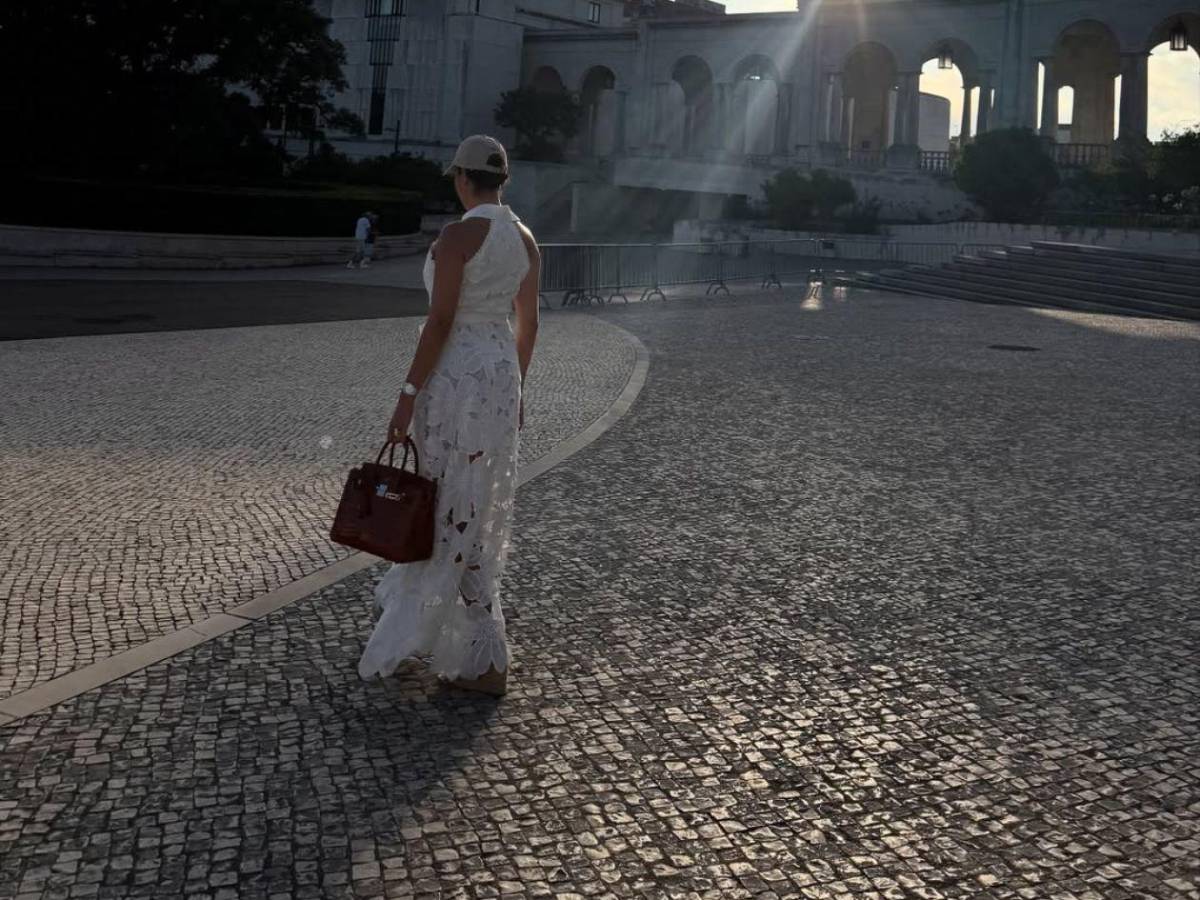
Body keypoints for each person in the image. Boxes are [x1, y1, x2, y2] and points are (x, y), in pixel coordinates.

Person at [358, 135, 541, 697]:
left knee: (445, 504)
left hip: (455, 381)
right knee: (473, 504)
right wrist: (517, 390)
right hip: (498, 377)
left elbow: (440, 323)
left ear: (462, 178)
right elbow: (528, 325)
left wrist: (408, 393)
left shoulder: (459, 235)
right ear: (501, 180)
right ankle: (473, 644)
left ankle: (481, 654)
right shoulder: (527, 240)